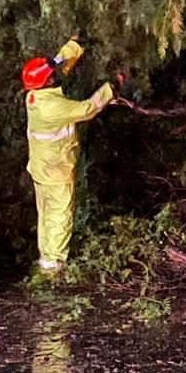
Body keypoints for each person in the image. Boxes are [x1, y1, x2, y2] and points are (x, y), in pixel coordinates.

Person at [22, 37, 117, 274]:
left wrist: (74, 45)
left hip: (42, 169)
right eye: (50, 77)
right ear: (45, 83)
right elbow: (88, 109)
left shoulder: (34, 96)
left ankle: (46, 259)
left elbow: (57, 64)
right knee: (59, 216)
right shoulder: (51, 107)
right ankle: (53, 266)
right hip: (56, 171)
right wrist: (112, 87)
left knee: (46, 215)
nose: (54, 77)